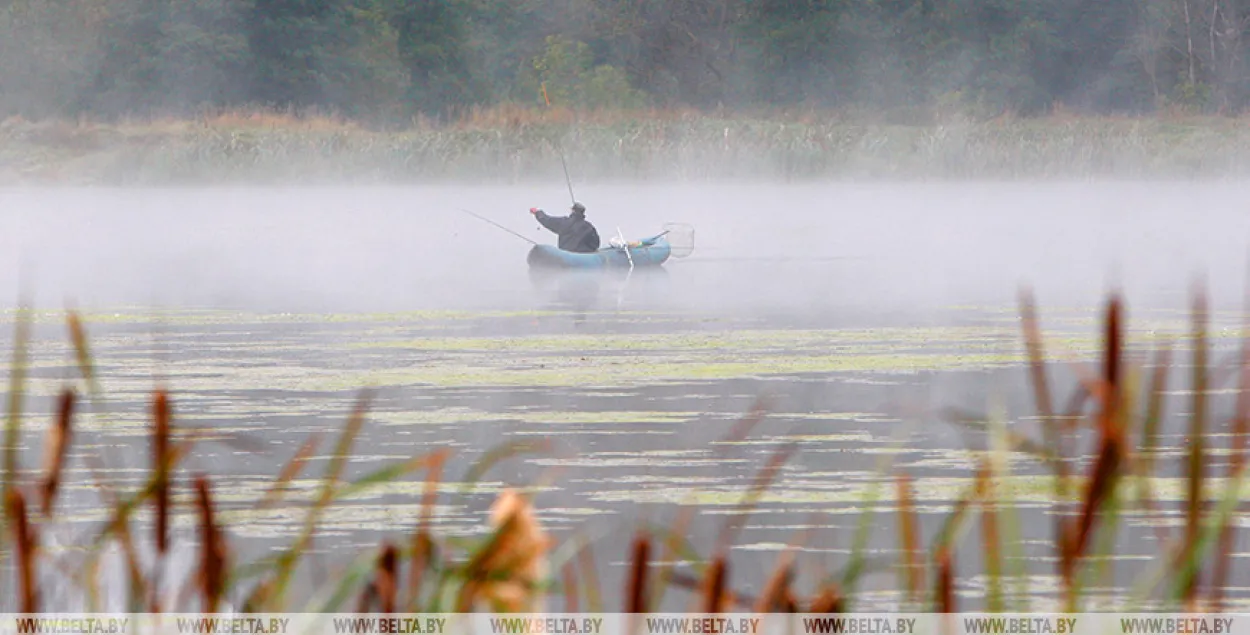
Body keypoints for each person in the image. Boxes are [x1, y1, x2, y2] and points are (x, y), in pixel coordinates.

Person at [529, 202, 600, 253]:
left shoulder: (563, 222)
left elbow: (547, 220)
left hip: (564, 254)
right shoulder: (589, 227)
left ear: (572, 211)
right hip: (582, 256)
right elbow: (595, 244)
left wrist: (537, 212)